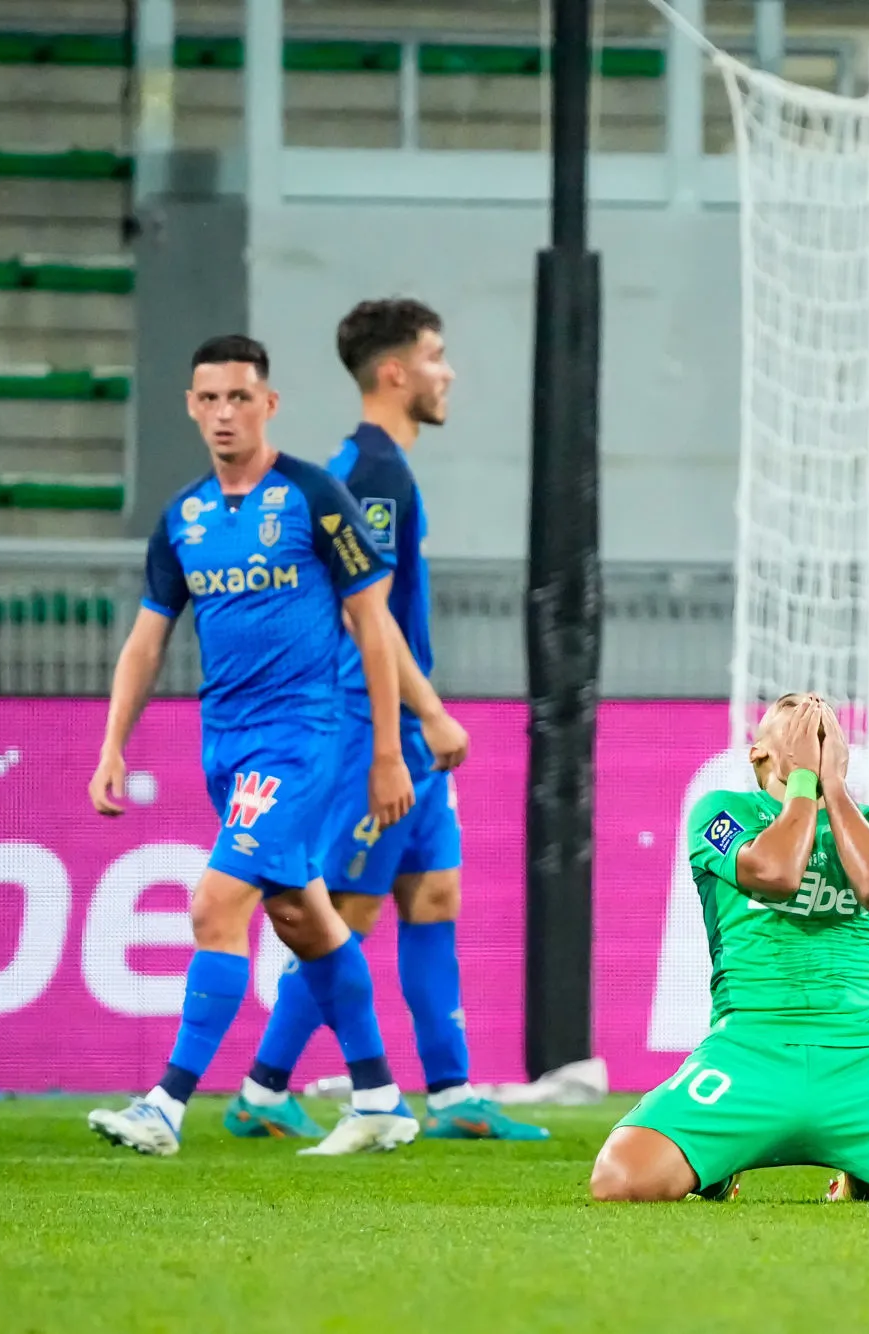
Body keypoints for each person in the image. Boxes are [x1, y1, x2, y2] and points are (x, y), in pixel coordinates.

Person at [86, 335, 417, 1157]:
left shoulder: (315, 496)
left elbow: (373, 625)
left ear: (268, 404)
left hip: (300, 739)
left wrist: (386, 751)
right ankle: (379, 1096)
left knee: (214, 904)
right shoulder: (184, 517)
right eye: (209, 399)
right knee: (303, 917)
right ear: (190, 407)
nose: (224, 413)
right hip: (226, 745)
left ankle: (166, 1104)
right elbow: (147, 641)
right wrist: (111, 745)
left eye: (239, 397)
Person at [227, 299, 544, 1142]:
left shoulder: (381, 469)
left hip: (402, 723)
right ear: (395, 372)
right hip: (374, 722)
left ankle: (452, 1095)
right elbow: (364, 615)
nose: (449, 372)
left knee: (433, 892)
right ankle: (262, 1090)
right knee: (351, 910)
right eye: (436, 356)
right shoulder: (369, 476)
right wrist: (427, 715)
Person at [590, 694, 869, 1203]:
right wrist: (801, 781)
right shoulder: (722, 812)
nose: (811, 720)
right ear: (759, 753)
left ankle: (866, 1173)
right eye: (794, 718)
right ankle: (718, 1168)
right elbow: (776, 873)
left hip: (865, 1055)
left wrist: (832, 787)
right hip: (747, 1052)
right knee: (622, 1180)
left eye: (821, 725)